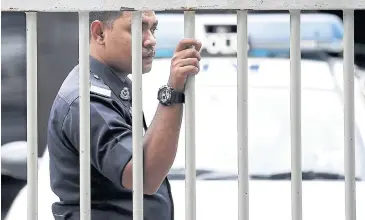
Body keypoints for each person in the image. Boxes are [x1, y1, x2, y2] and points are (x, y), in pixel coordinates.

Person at [47, 10, 202, 220]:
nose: (151, 41)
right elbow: (144, 176)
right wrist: (172, 91)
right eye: (139, 29)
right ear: (99, 33)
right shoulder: (87, 101)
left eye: (153, 29)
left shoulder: (112, 86)